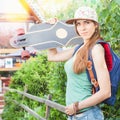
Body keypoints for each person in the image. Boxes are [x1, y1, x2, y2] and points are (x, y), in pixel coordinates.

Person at [47, 6, 111, 120]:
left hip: (88, 115)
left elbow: (106, 92)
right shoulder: (79, 48)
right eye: (78, 24)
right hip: (75, 116)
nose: (82, 28)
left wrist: (77, 106)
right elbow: (52, 56)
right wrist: (52, 31)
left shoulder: (96, 49)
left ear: (95, 25)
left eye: (87, 22)